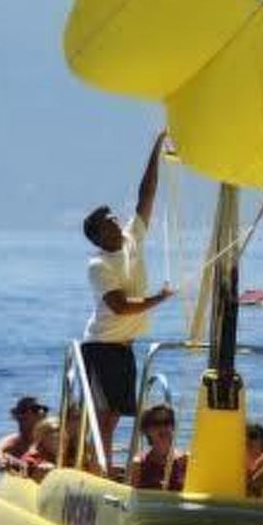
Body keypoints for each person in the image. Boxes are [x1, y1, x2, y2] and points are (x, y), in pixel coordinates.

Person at [81, 132, 174, 469]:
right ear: (98, 236)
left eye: (116, 220)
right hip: (102, 344)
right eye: (110, 224)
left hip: (124, 346)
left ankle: (100, 464)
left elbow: (145, 194)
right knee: (104, 416)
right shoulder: (99, 265)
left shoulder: (132, 237)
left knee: (117, 413)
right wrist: (159, 299)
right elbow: (119, 306)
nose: (118, 224)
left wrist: (157, 148)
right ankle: (99, 469)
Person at [129, 404, 187, 491]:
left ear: (173, 427)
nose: (163, 428)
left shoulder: (185, 460)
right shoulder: (139, 463)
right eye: (156, 423)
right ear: (146, 429)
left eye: (167, 422)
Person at [0, 395, 48, 472]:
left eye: (45, 409)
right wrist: (0, 460)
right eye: (35, 409)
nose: (41, 412)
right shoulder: (14, 440)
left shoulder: (49, 440)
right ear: (20, 415)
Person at [20, 415, 60, 483]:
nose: (57, 435)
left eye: (59, 430)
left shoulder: (73, 454)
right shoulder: (31, 458)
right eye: (50, 432)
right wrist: (37, 474)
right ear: (40, 439)